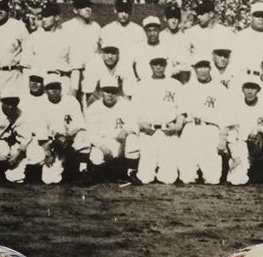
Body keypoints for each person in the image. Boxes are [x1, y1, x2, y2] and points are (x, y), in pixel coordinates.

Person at [177, 57, 234, 184]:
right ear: (194, 69)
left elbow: (227, 117)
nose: (202, 70)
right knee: (186, 178)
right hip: (191, 128)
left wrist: (223, 139)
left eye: (205, 66)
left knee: (213, 179)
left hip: (210, 130)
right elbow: (181, 113)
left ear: (210, 68)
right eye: (199, 67)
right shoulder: (187, 88)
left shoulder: (220, 89)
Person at [132, 54, 183, 184]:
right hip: (149, 131)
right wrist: (142, 125)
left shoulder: (175, 84)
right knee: (145, 177)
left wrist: (177, 126)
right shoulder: (142, 84)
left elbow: (182, 110)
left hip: (168, 131)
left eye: (161, 64)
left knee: (169, 178)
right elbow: (134, 111)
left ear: (165, 66)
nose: (158, 67)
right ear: (151, 66)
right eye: (155, 64)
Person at [227, 75, 263, 185]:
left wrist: (258, 129)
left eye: (253, 88)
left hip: (261, 146)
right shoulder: (235, 105)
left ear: (258, 90)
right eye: (247, 87)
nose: (250, 91)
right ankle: (248, 169)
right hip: (242, 145)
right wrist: (235, 156)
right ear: (242, 89)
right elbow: (231, 132)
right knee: (237, 180)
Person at [79, 83, 138, 180]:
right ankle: (85, 172)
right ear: (101, 92)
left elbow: (133, 124)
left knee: (132, 138)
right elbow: (91, 133)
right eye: (107, 91)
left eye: (113, 92)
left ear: (118, 93)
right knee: (96, 158)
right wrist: (103, 148)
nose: (110, 95)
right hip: (102, 142)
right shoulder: (94, 108)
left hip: (121, 142)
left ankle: (131, 172)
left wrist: (126, 131)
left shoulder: (126, 105)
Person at [60, 0, 101, 98]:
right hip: (72, 73)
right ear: (75, 10)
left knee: (91, 105)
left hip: (91, 74)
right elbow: (61, 55)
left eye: (89, 6)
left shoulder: (96, 27)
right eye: (83, 6)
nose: (87, 9)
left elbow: (99, 51)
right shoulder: (66, 27)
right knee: (72, 104)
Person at [22, 2, 70, 86]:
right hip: (38, 80)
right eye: (42, 16)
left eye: (47, 16)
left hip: (60, 80)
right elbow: (25, 65)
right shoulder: (34, 37)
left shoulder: (66, 37)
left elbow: (74, 64)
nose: (44, 19)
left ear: (57, 17)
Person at [233, 1, 263, 74]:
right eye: (257, 16)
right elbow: (234, 61)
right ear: (251, 17)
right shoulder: (241, 36)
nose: (261, 19)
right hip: (245, 76)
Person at [99, 0, 145, 68]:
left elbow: (142, 55)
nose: (124, 14)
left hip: (132, 68)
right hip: (112, 69)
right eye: (121, 11)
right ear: (115, 10)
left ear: (131, 11)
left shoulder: (139, 30)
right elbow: (103, 54)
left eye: (126, 11)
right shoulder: (106, 30)